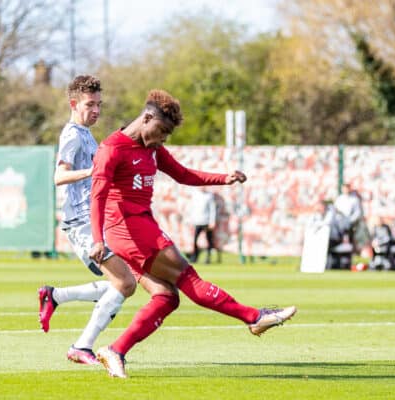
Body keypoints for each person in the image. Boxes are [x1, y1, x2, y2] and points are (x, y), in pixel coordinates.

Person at [89, 89, 296, 378]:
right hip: (127, 229)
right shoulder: (112, 149)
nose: (162, 139)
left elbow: (183, 174)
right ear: (146, 118)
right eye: (161, 131)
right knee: (187, 277)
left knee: (166, 297)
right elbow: (97, 195)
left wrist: (224, 178)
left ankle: (116, 350)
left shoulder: (152, 149)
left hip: (139, 227)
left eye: (166, 135)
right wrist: (97, 239)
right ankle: (255, 317)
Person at [38, 75, 178, 366]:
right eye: (90, 104)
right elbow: (58, 176)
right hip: (80, 221)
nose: (96, 110)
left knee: (125, 282)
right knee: (125, 283)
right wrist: (92, 172)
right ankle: (81, 345)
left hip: (95, 220)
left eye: (99, 104)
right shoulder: (73, 135)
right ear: (74, 104)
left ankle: (55, 297)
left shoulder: (87, 134)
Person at [189, 188, 217, 264]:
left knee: (209, 240)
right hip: (197, 221)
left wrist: (212, 221)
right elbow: (192, 208)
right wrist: (191, 220)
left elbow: (212, 209)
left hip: (206, 221)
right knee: (195, 240)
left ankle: (208, 258)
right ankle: (195, 257)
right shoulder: (195, 194)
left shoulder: (209, 195)